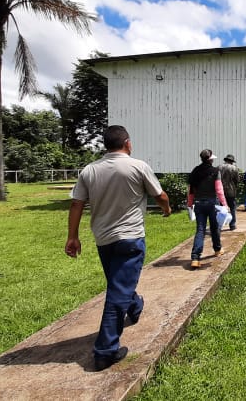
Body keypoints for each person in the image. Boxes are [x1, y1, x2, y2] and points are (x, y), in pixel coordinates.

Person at [65, 125, 172, 371]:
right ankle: (105, 351)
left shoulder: (90, 171)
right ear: (127, 142)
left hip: (104, 239)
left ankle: (134, 305)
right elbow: (161, 195)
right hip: (131, 238)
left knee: (118, 284)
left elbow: (76, 204)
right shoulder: (137, 166)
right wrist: (166, 209)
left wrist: (72, 236)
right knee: (118, 290)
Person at [187, 149, 228, 269]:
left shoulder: (195, 171)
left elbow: (191, 190)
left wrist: (190, 203)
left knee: (200, 230)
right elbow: (219, 190)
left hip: (198, 203)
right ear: (210, 159)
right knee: (214, 227)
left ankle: (195, 258)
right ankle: (217, 249)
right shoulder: (215, 171)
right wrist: (224, 204)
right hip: (212, 203)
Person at [218, 154, 241, 231]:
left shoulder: (219, 167)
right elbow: (237, 180)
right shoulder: (234, 168)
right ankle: (232, 225)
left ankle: (219, 225)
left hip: (220, 191)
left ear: (225, 160)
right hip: (231, 191)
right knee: (232, 208)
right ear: (232, 161)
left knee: (221, 208)